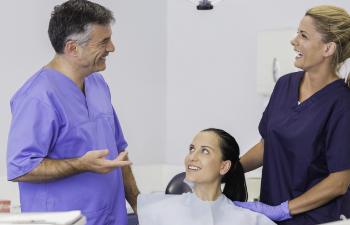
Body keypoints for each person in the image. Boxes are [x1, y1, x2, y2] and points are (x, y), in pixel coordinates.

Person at [6, 1, 139, 224]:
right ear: (73, 48)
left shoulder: (97, 84)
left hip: (111, 218)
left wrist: (139, 204)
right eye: (104, 42)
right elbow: (20, 168)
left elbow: (119, 153)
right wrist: (81, 164)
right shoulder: (37, 97)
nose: (112, 48)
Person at [234, 5, 350, 225]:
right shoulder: (285, 85)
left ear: (328, 48)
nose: (293, 40)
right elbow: (269, 144)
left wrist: (284, 209)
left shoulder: (342, 104)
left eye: (303, 35)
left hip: (320, 220)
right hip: (273, 218)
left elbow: (339, 182)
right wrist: (230, 171)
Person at [137, 128, 276, 225]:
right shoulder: (160, 211)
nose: (192, 157)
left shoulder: (250, 220)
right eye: (192, 149)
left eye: (204, 151)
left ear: (224, 166)